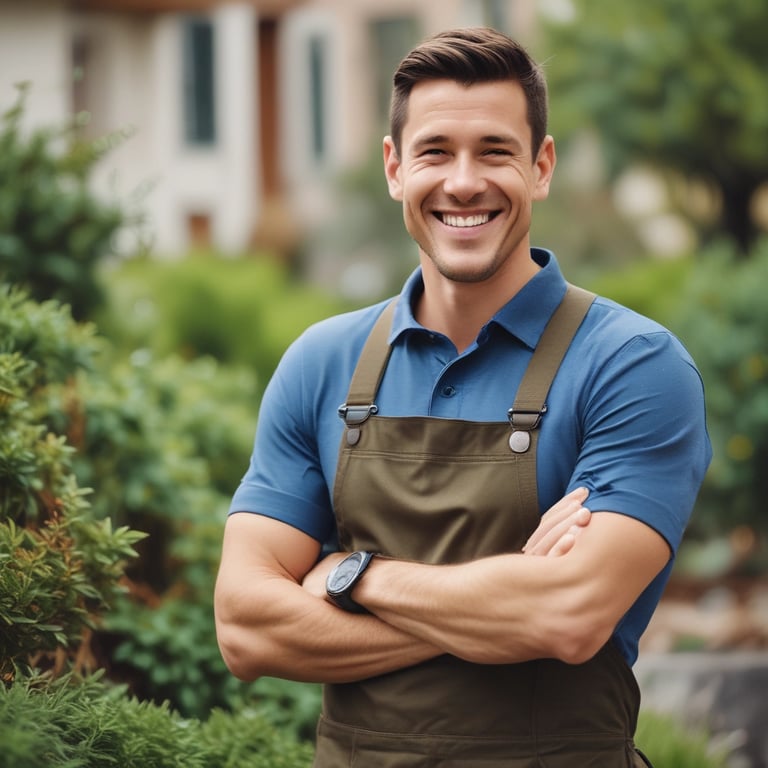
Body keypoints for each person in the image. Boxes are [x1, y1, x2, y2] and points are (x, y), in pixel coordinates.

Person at [214, 27, 711, 767]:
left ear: (541, 167)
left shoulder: (632, 365)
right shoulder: (322, 363)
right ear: (395, 169)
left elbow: (568, 616)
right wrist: (507, 604)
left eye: (495, 151)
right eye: (436, 152)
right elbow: (246, 628)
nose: (464, 182)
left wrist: (351, 575)